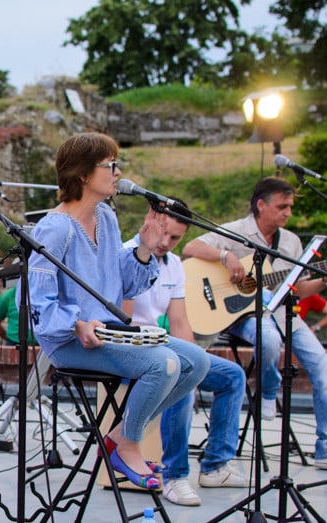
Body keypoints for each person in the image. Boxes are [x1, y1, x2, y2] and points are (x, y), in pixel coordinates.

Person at [26, 132, 209, 489]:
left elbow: (122, 285)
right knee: (164, 364)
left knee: (197, 362)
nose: (117, 171)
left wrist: (144, 249)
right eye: (110, 165)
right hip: (70, 342)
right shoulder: (55, 228)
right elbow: (36, 300)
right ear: (82, 174)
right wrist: (76, 323)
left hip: (111, 334)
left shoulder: (107, 218)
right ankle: (128, 446)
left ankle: (119, 439)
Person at [182, 176, 327, 472]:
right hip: (244, 315)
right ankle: (267, 392)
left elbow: (295, 289)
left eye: (290, 206)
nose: (288, 212)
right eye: (282, 206)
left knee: (325, 367)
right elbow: (191, 248)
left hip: (282, 312)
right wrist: (226, 256)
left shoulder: (291, 242)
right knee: (270, 340)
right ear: (261, 205)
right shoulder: (236, 232)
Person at [123, 205, 248, 506]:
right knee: (179, 373)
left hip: (160, 343)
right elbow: (122, 321)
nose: (166, 242)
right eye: (163, 233)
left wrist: (195, 359)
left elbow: (179, 323)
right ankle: (175, 476)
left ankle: (216, 465)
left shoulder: (175, 264)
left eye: (175, 237)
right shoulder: (126, 254)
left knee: (232, 375)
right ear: (149, 218)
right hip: (129, 346)